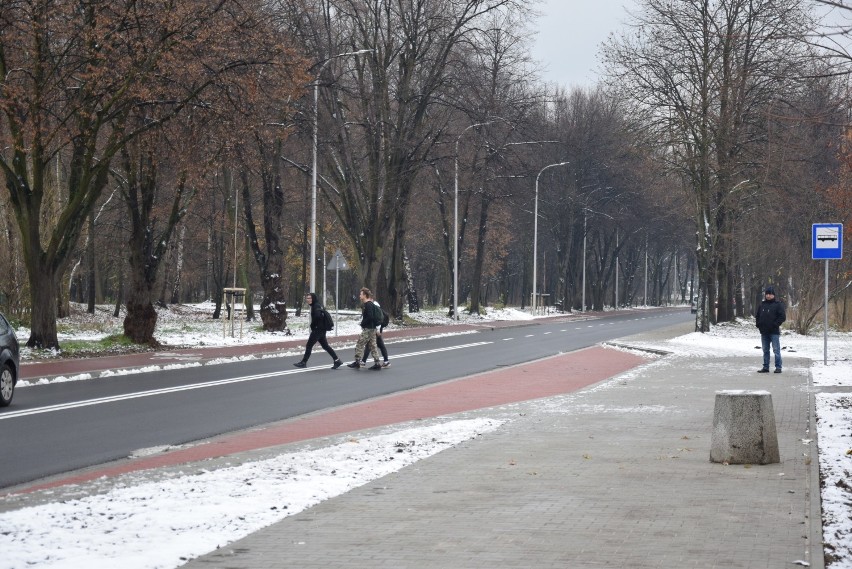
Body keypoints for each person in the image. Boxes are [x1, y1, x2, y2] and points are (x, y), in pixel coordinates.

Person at [293, 293, 343, 370]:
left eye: (309, 298)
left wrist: (313, 325)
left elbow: (318, 316)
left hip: (318, 330)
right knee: (325, 346)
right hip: (321, 329)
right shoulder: (316, 305)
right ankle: (337, 360)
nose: (308, 300)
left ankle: (303, 362)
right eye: (307, 298)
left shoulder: (316, 306)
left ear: (313, 298)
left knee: (309, 345)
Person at [347, 287, 382, 370]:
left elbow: (370, 317)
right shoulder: (370, 304)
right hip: (372, 328)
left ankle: (357, 361)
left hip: (368, 329)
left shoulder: (368, 305)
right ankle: (377, 363)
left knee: (359, 344)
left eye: (361, 294)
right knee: (373, 346)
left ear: (365, 295)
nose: (359, 296)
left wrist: (363, 323)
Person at [755, 285, 786, 373]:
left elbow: (782, 317)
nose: (768, 296)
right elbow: (757, 316)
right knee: (765, 350)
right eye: (767, 294)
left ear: (774, 295)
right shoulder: (762, 305)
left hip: (774, 331)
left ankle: (778, 367)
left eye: (770, 294)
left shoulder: (778, 305)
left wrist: (775, 324)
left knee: (776, 350)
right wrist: (758, 324)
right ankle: (766, 367)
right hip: (764, 332)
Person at [361, 298, 390, 368]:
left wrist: (378, 330)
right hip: (376, 328)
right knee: (380, 344)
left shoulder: (374, 305)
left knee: (369, 345)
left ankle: (363, 362)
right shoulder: (373, 305)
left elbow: (378, 318)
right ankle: (386, 361)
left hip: (376, 329)